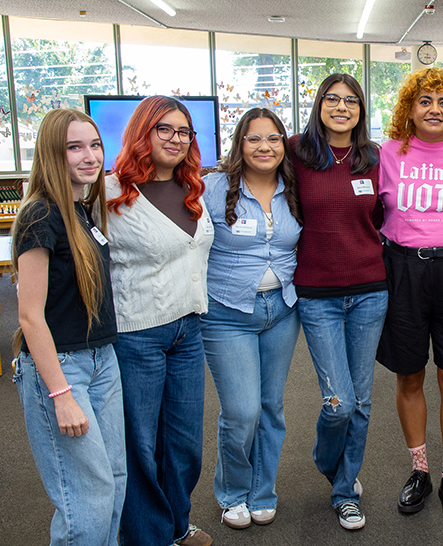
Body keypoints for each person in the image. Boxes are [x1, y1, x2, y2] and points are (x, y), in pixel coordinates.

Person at [12, 108, 125, 545]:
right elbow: (28, 315)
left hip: (101, 360)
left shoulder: (79, 209)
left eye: (95, 145)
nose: (89, 156)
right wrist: (60, 395)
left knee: (113, 481)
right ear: (51, 154)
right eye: (74, 147)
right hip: (62, 370)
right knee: (87, 500)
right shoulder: (41, 215)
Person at [377, 67, 443, 522]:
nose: (435, 109)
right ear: (410, 107)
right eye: (425, 101)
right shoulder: (387, 153)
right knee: (409, 375)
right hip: (403, 270)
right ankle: (419, 469)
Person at [105, 96, 214, 546]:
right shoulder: (109, 193)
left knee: (184, 445)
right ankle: (147, 537)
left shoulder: (194, 189)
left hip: (190, 330)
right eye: (164, 129)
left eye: (183, 131)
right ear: (143, 133)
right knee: (140, 447)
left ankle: (175, 524)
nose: (175, 139)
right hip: (136, 334)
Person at [291, 74, 386, 531]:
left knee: (362, 400)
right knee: (339, 403)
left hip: (370, 290)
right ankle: (330, 462)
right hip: (318, 294)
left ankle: (345, 489)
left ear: (361, 110)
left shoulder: (374, 158)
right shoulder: (298, 152)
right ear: (319, 104)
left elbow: (383, 217)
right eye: (333, 99)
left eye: (351, 101)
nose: (342, 107)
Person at [200, 107, 302, 530]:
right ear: (240, 143)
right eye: (254, 138)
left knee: (270, 407)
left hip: (282, 308)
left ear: (284, 144)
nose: (265, 146)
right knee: (241, 411)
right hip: (227, 313)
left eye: (274, 138)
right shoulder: (213, 187)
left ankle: (262, 492)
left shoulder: (293, 187)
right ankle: (232, 492)